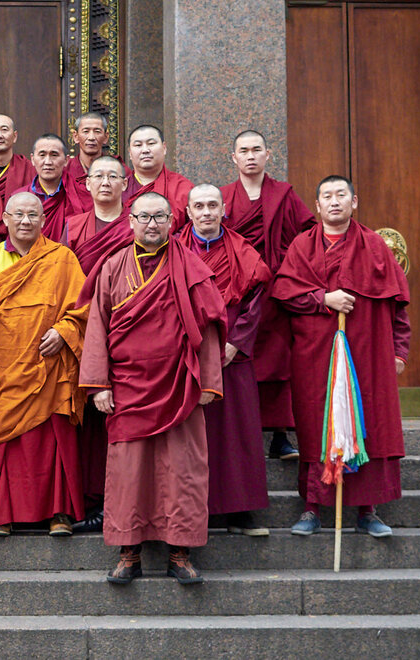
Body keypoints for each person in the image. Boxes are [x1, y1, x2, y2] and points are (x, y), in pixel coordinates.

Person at [81, 193, 226, 585]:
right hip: (128, 388)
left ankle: (180, 553)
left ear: (171, 221)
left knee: (183, 470)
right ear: (130, 222)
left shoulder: (189, 266)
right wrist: (98, 383)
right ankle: (129, 554)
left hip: (181, 384)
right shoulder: (113, 267)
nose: (151, 224)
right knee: (129, 471)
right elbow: (97, 325)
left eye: (159, 216)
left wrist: (210, 382)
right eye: (143, 217)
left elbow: (209, 326)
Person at [271, 175, 409, 539]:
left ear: (354, 201)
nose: (334, 202)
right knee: (318, 423)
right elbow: (284, 293)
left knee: (369, 424)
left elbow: (398, 307)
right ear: (316, 206)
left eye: (341, 195)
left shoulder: (375, 247)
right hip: (316, 354)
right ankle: (313, 508)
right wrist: (323, 298)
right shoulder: (302, 246)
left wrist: (399, 350)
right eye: (327, 197)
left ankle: (368, 510)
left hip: (367, 355)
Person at [0, 192, 87, 537]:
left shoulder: (62, 258)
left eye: (32, 214)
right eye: (18, 214)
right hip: (3, 366)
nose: (25, 221)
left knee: (53, 439)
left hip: (49, 366)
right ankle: (0, 515)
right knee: (2, 439)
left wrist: (64, 333)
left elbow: (83, 308)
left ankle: (58, 513)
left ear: (43, 220)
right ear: (4, 219)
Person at [177, 184, 272, 537]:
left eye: (212, 206)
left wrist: (236, 344)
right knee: (191, 434)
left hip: (232, 354)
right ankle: (192, 509)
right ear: (187, 212)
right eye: (198, 206)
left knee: (237, 431)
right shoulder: (176, 249)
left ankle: (240, 511)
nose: (205, 212)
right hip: (188, 352)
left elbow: (255, 299)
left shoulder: (241, 250)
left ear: (223, 209)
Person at [220, 130, 316, 461]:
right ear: (233, 157)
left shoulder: (284, 195)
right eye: (243, 150)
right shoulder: (224, 197)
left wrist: (290, 267)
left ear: (267, 155)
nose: (250, 156)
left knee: (278, 360)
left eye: (256, 150)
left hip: (276, 291)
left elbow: (308, 235)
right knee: (238, 363)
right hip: (237, 290)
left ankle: (279, 436)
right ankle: (242, 435)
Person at [60, 154, 133, 533]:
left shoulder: (137, 225)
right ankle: (90, 498)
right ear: (85, 184)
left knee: (120, 413)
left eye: (113, 176)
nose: (105, 182)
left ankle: (119, 498)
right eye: (97, 176)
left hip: (127, 328)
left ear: (126, 183)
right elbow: (60, 277)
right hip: (82, 328)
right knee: (87, 417)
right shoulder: (72, 226)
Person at [15, 134, 86, 241]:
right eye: (42, 155)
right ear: (33, 159)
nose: (48, 162)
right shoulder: (18, 197)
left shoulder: (81, 194)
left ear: (66, 160)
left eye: (54, 155)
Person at [123, 125, 194, 230]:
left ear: (164, 148)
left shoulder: (183, 188)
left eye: (151, 143)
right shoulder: (119, 188)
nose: (145, 150)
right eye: (138, 145)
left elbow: (191, 232)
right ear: (130, 153)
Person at [64, 111, 114, 213]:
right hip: (75, 227)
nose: (91, 137)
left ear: (106, 137)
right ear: (76, 136)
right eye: (86, 131)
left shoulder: (117, 170)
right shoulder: (65, 171)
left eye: (97, 131)